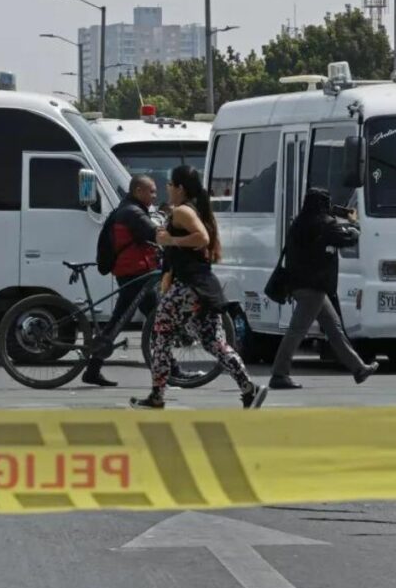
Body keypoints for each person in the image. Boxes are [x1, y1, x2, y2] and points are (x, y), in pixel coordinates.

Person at [132, 166, 267, 409]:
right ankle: (250, 389)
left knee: (161, 333)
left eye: (170, 185)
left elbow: (202, 238)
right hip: (203, 287)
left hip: (189, 287)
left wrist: (170, 239)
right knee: (213, 342)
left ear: (180, 188)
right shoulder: (192, 209)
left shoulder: (183, 211)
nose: (167, 189)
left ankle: (157, 396)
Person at [269, 187, 378, 390]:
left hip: (301, 285)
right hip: (314, 287)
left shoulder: (300, 222)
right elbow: (348, 238)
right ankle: (279, 374)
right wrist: (354, 223)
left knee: (334, 329)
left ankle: (359, 368)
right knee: (296, 331)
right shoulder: (325, 224)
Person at [82, 175, 162, 387]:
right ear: (138, 191)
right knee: (159, 320)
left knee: (120, 320)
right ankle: (172, 369)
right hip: (135, 273)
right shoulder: (133, 213)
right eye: (151, 191)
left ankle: (93, 369)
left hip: (132, 272)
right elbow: (154, 233)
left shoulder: (128, 209)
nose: (155, 195)